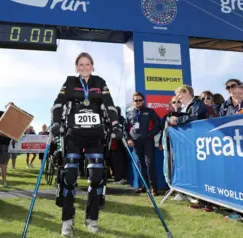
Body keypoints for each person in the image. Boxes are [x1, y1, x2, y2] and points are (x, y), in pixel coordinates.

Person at [50, 52, 123, 236]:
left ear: (92, 65)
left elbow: (109, 104)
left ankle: (92, 219)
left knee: (97, 178)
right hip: (73, 135)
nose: (84, 67)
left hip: (95, 136)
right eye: (80, 65)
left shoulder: (100, 82)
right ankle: (67, 220)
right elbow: (58, 104)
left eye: (87, 64)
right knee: (69, 178)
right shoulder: (69, 82)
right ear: (76, 67)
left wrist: (115, 125)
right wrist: (56, 123)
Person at [125, 92, 160, 196]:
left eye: (140, 100)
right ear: (133, 101)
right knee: (141, 163)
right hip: (136, 141)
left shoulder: (150, 111)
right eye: (136, 100)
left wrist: (150, 134)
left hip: (148, 140)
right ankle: (144, 186)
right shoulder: (129, 113)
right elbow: (125, 128)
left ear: (143, 100)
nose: (138, 102)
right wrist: (129, 139)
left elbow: (158, 124)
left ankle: (153, 188)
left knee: (150, 163)